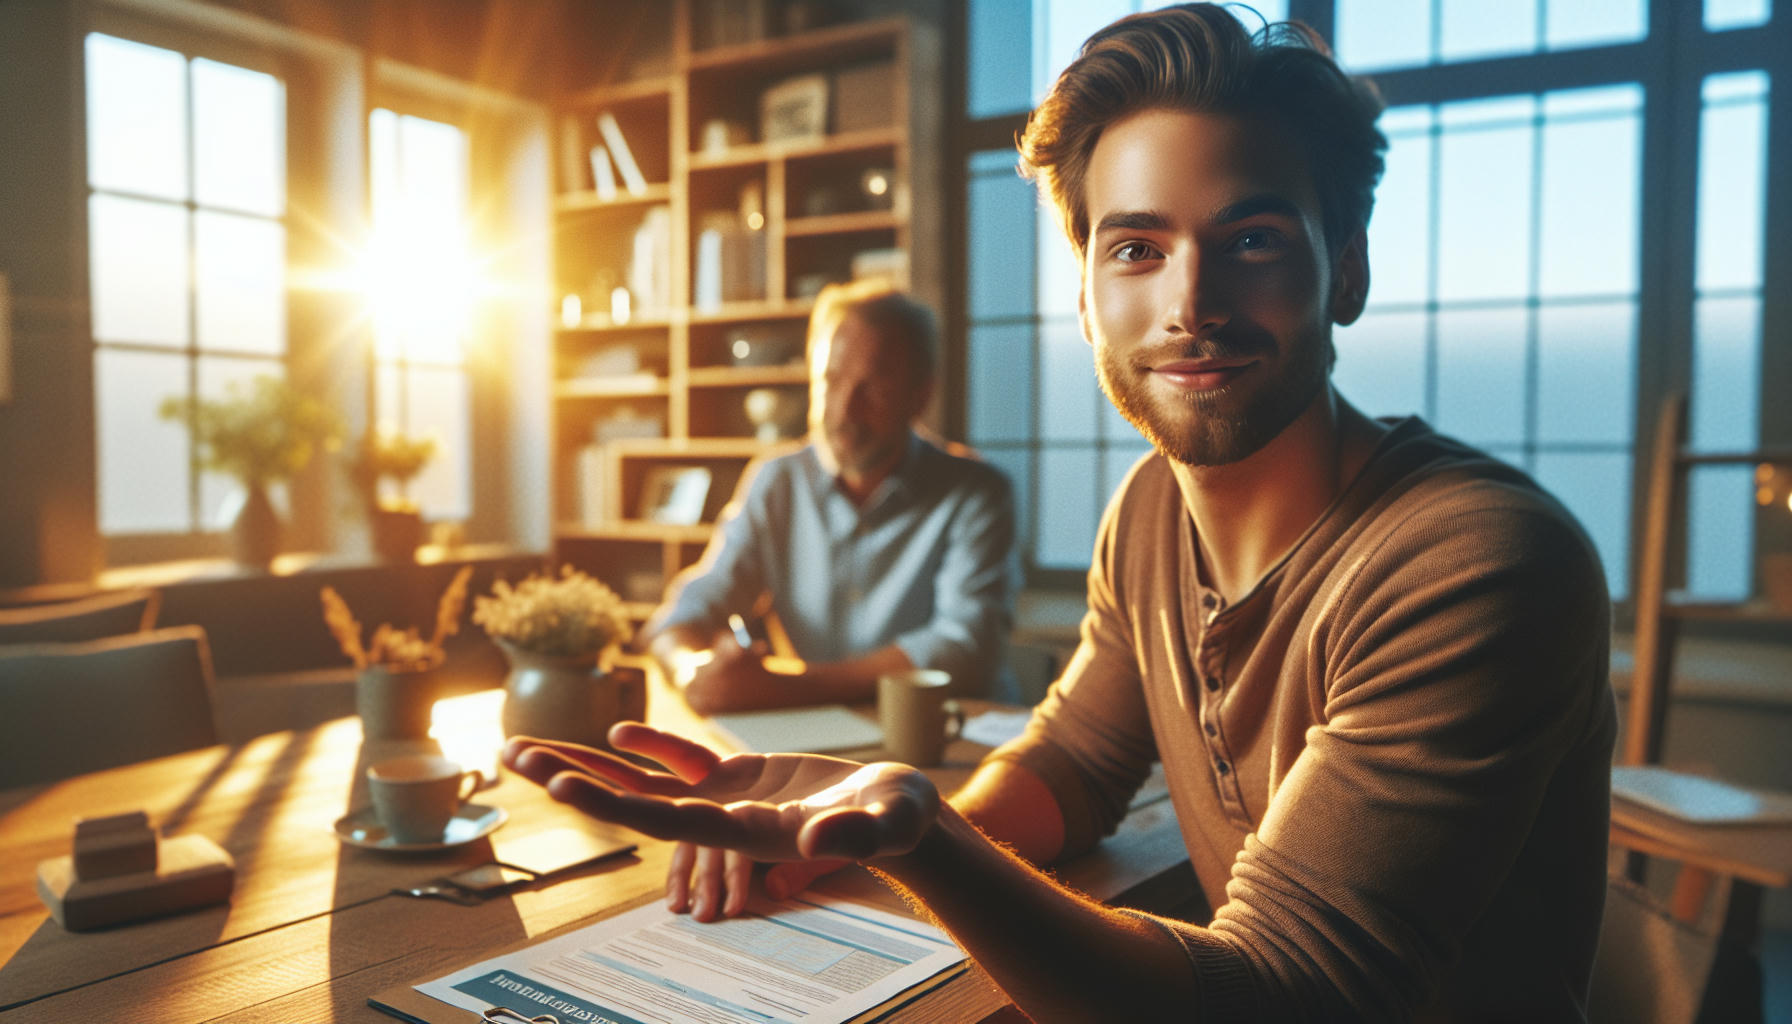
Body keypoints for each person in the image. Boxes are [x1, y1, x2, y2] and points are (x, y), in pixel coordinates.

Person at [506, 6, 1617, 1020]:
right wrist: (844, 829)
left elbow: (1283, 996)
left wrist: (927, 840)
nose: (1190, 304)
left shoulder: (1475, 562)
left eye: (1252, 239)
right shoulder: (1150, 510)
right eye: (1136, 249)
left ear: (1347, 272)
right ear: (1086, 298)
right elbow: (1076, 764)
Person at [643, 280, 1016, 715]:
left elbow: (964, 647)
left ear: (920, 396)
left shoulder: (976, 492)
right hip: (821, 731)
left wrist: (784, 688)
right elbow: (688, 610)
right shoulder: (777, 481)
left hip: (948, 728)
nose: (843, 410)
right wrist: (693, 671)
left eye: (871, 388)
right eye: (830, 380)